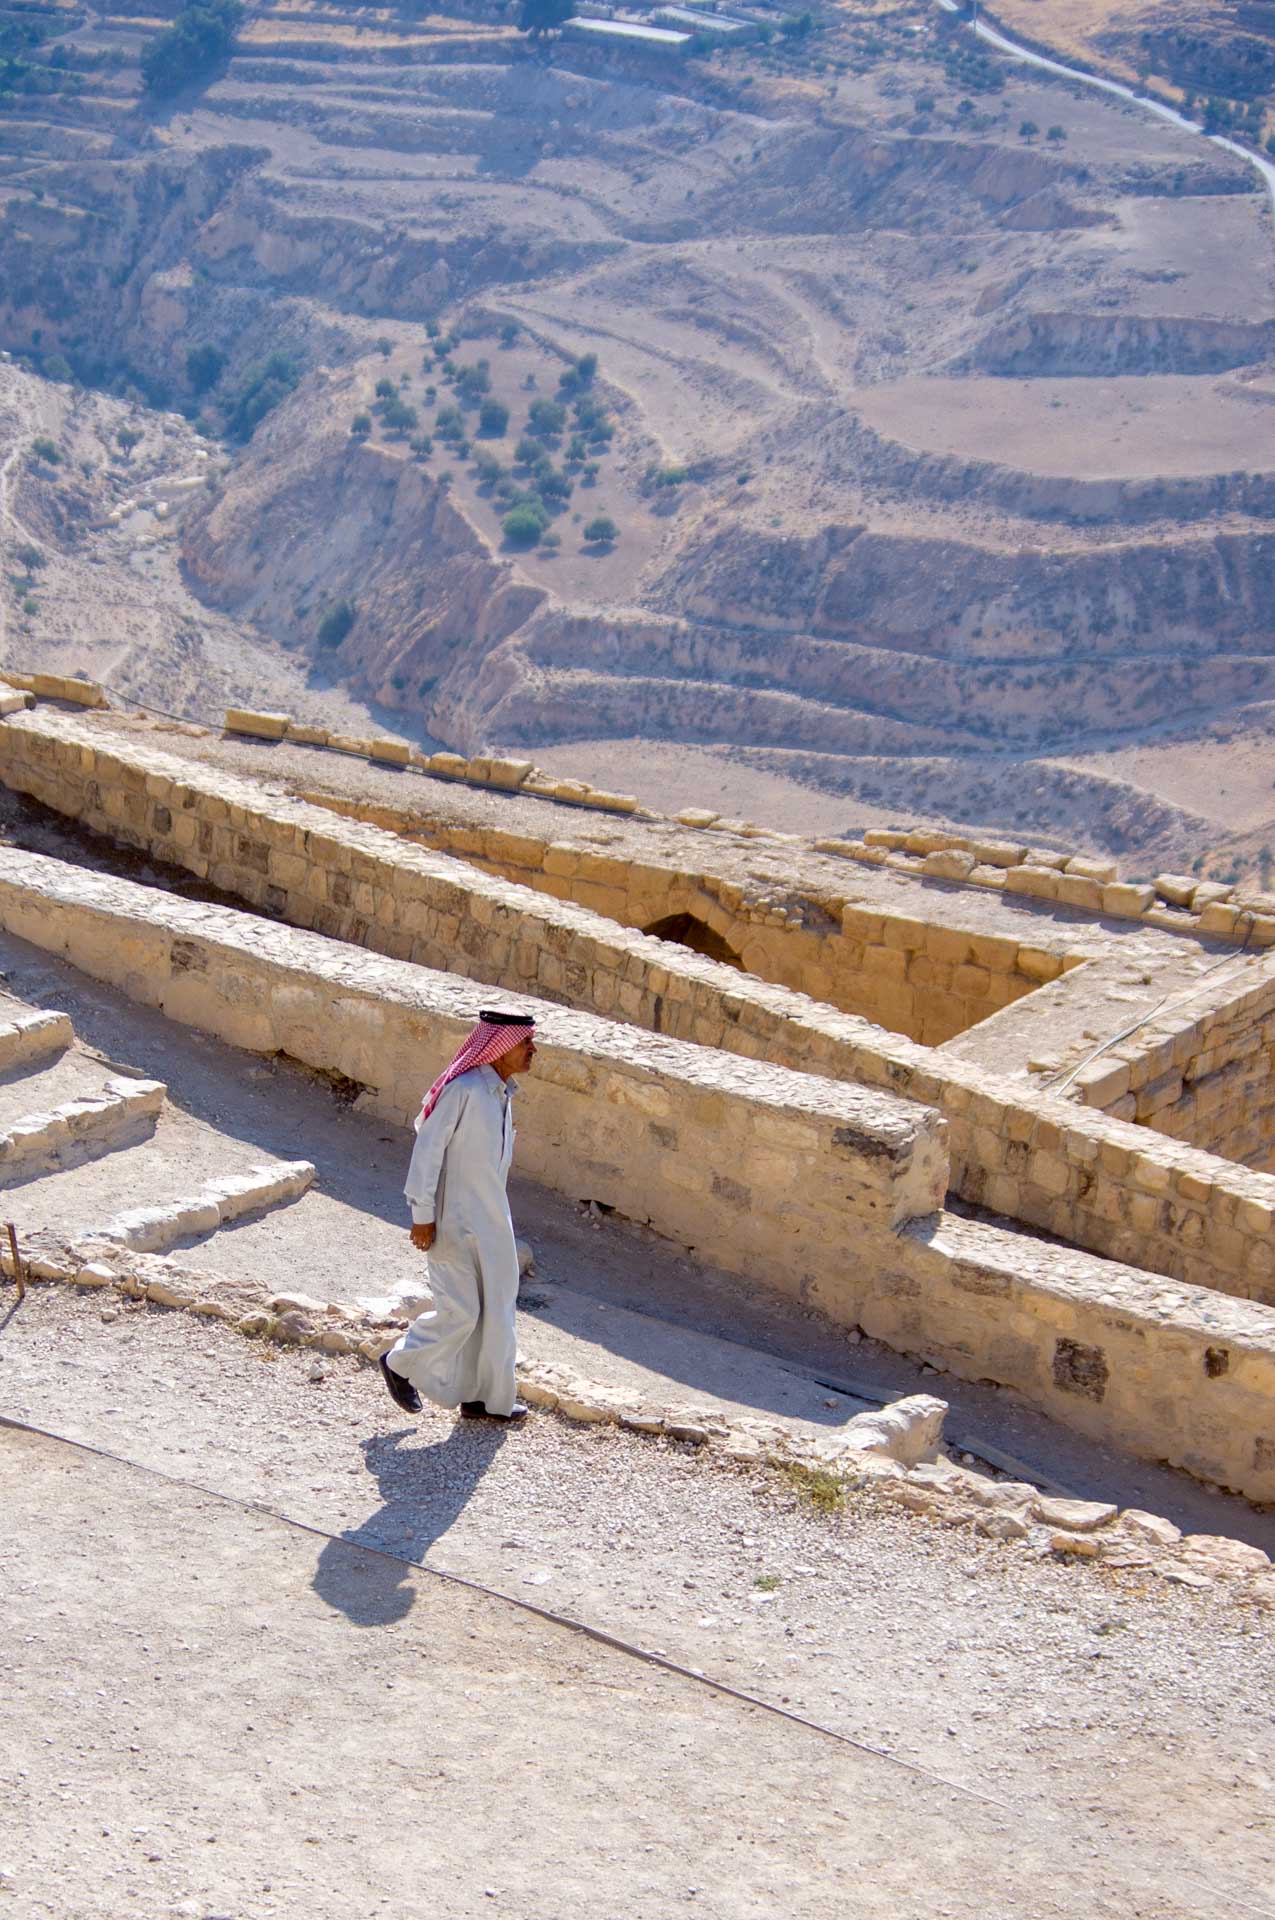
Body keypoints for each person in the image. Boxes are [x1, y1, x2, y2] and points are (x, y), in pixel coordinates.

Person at [379, 1009, 536, 1423]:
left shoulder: (501, 1096)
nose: (532, 1050)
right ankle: (399, 1363)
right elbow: (428, 1150)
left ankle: (486, 1399)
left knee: (496, 1311)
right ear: (500, 1048)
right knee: (461, 1312)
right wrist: (422, 1214)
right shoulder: (464, 1090)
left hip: (492, 1223)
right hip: (453, 1222)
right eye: (525, 1043)